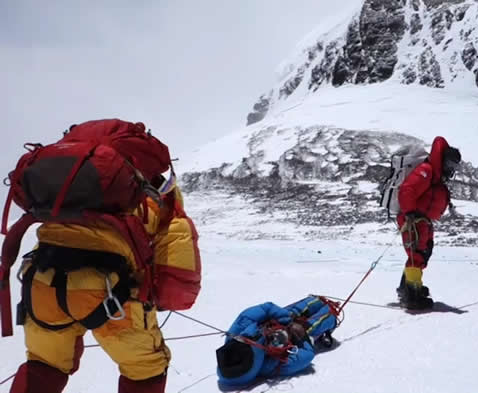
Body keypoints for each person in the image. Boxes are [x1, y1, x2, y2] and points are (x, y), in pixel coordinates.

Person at [4, 119, 201, 393]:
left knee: (44, 365)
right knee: (145, 371)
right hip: (114, 294)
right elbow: (176, 245)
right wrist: (165, 298)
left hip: (42, 283)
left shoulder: (66, 190)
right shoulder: (157, 194)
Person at [217, 295, 339, 391]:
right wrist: (302, 337)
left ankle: (316, 301)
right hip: (293, 338)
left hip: (276, 321)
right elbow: (306, 356)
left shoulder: (236, 333)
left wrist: (285, 319)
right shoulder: (268, 366)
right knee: (309, 327)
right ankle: (330, 313)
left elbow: (265, 308)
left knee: (292, 312)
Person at [395, 136, 461, 310]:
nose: (451, 169)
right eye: (450, 165)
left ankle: (407, 288)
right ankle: (412, 296)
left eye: (454, 166)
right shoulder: (427, 171)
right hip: (413, 219)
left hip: (422, 220)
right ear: (443, 160)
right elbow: (407, 189)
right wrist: (409, 213)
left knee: (423, 253)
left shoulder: (436, 176)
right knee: (417, 254)